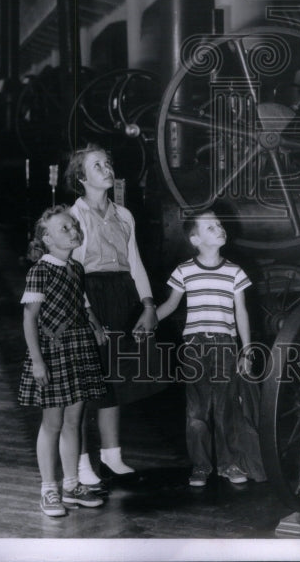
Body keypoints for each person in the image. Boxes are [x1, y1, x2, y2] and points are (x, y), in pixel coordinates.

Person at [66, 143, 157, 487]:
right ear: (81, 176)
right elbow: (72, 270)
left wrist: (148, 305)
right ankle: (80, 462)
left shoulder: (124, 215)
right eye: (97, 165)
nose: (106, 168)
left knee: (114, 380)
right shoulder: (75, 217)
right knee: (88, 386)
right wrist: (86, 313)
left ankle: (112, 455)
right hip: (90, 296)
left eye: (108, 163)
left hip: (122, 297)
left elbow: (135, 263)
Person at [18, 205, 107, 517]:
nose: (73, 232)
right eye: (64, 229)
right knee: (52, 423)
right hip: (52, 352)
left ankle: (72, 485)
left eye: (73, 226)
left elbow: (82, 302)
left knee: (74, 421)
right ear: (46, 238)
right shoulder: (40, 271)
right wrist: (37, 361)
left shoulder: (76, 269)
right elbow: (29, 319)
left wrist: (95, 324)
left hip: (78, 348)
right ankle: (49, 489)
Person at [154, 210, 253, 488]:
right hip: (195, 345)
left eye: (220, 224)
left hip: (225, 345)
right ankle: (200, 465)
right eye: (211, 227)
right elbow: (171, 305)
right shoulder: (184, 270)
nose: (220, 228)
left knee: (227, 408)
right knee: (197, 411)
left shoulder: (235, 272)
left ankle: (229, 463)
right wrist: (148, 321)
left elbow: (241, 311)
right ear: (195, 239)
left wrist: (246, 349)